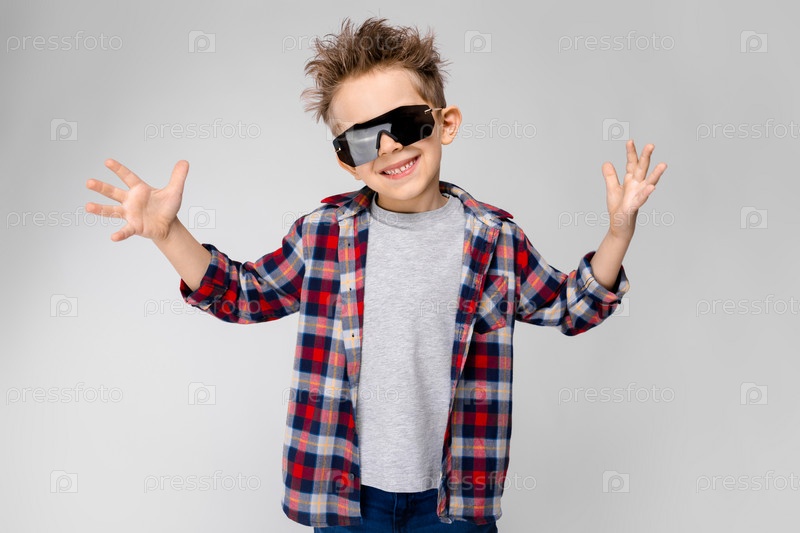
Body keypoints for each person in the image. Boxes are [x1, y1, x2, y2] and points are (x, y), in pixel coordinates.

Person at [85, 16, 666, 532]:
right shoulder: (322, 235)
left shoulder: (496, 241)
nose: (389, 146)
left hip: (454, 501)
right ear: (347, 159)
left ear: (446, 123)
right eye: (364, 136)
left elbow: (572, 306)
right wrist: (167, 233)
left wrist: (618, 233)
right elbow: (243, 295)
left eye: (406, 122)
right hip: (344, 497)